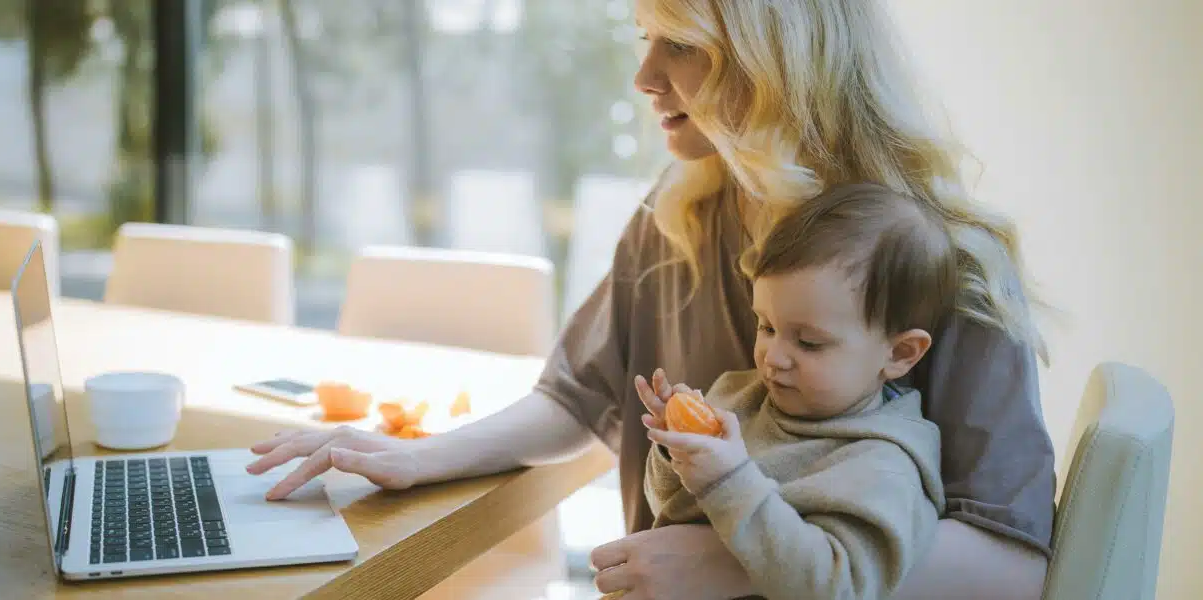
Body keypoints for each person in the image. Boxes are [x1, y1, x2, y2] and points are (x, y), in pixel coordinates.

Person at [245, 0, 1057, 598]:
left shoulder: (946, 261)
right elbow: (579, 396)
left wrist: (742, 562)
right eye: (644, 40)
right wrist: (422, 456)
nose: (643, 77)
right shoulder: (678, 212)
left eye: (681, 45)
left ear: (778, 58)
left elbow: (1011, 560)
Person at [637, 183, 956, 600]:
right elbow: (668, 508)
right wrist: (676, 451)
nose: (774, 358)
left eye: (808, 342)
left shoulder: (882, 466)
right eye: (766, 327)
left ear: (899, 353)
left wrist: (729, 481)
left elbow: (835, 588)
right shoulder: (738, 396)